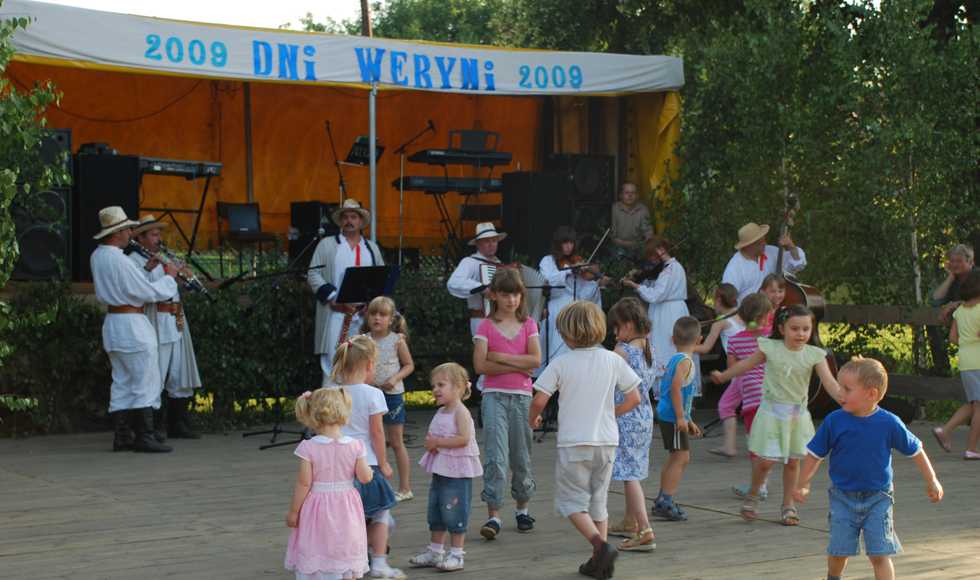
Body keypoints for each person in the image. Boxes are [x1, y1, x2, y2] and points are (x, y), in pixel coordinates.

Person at [795, 357, 944, 580]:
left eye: (847, 389)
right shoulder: (834, 421)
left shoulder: (889, 422)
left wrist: (931, 478)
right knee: (838, 551)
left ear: (871, 394)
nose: (840, 393)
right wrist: (802, 481)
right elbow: (815, 453)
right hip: (842, 497)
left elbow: (915, 449)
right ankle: (833, 578)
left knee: (880, 553)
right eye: (839, 387)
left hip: (879, 498)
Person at [529, 301, 642, 580]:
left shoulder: (561, 363)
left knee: (571, 504)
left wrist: (532, 419)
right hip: (606, 443)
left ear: (567, 337)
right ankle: (598, 563)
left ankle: (601, 546)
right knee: (598, 504)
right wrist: (610, 414)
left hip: (575, 444)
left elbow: (539, 400)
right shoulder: (613, 359)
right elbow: (636, 397)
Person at [711, 304, 840, 526]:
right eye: (794, 328)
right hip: (771, 414)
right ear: (781, 327)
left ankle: (788, 504)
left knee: (792, 462)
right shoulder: (770, 347)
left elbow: (830, 382)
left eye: (805, 329)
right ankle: (753, 493)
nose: (800, 334)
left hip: (796, 418)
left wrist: (847, 401)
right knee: (765, 462)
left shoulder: (815, 355)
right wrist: (724, 375)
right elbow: (745, 365)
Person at [90, 206, 179, 453]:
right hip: (132, 324)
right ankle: (144, 436)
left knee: (121, 380)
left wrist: (147, 270)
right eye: (128, 229)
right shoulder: (119, 258)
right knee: (146, 379)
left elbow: (128, 284)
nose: (130, 233)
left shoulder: (98, 256)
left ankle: (122, 437)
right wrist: (170, 276)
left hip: (113, 323)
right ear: (117, 232)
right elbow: (147, 292)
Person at [472, 268, 542, 538]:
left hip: (523, 399)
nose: (511, 299)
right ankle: (494, 516)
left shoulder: (529, 325)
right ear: (493, 295)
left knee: (521, 456)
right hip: (494, 398)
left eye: (515, 294)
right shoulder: (485, 326)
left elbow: (535, 361)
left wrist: (499, 357)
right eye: (505, 294)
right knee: (496, 457)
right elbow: (480, 365)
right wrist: (517, 365)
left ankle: (522, 511)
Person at [329, 336, 405, 580]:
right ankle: (379, 563)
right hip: (368, 464)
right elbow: (376, 432)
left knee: (349, 518)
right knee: (381, 514)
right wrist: (383, 463)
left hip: (338, 467)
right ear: (370, 365)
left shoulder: (332, 392)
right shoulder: (373, 394)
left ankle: (346, 559)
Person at [284, 387, 375, 580]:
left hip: (317, 506)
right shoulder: (356, 445)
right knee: (346, 544)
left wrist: (294, 511)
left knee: (317, 543)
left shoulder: (308, 447)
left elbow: (304, 483)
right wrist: (370, 471)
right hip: (346, 505)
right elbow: (365, 477)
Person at [128, 215, 202, 440]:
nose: (159, 239)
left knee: (179, 372)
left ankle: (177, 425)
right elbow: (139, 289)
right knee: (156, 374)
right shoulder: (134, 259)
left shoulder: (163, 257)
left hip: (176, 318)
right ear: (141, 238)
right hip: (157, 318)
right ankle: (149, 428)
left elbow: (182, 290)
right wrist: (160, 274)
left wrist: (184, 279)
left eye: (159, 234)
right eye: (154, 235)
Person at [409, 363, 483, 572]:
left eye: (441, 384)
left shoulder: (461, 412)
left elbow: (463, 439)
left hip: (457, 473)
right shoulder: (441, 411)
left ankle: (457, 555)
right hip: (441, 471)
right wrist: (430, 443)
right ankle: (435, 551)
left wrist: (438, 443)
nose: (435, 390)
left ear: (459, 387)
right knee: (437, 510)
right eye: (434, 385)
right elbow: (436, 435)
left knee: (454, 511)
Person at [308, 199, 385, 382]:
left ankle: (355, 407)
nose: (349, 220)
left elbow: (380, 277)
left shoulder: (371, 248)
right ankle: (330, 408)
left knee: (362, 361)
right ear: (340, 221)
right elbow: (313, 273)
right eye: (345, 217)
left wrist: (371, 302)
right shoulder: (327, 244)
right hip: (335, 313)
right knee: (332, 363)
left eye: (353, 217)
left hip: (363, 315)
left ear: (361, 221)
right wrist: (331, 296)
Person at [605, 298, 657, 552]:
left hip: (624, 418)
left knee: (629, 476)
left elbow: (606, 382)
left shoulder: (622, 352)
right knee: (631, 470)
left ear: (627, 326)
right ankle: (629, 522)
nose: (614, 334)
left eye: (616, 329)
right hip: (644, 417)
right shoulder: (650, 348)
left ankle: (645, 529)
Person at [620, 236, 692, 398]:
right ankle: (665, 395)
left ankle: (671, 394)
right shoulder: (666, 268)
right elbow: (655, 286)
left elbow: (656, 294)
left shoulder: (671, 268)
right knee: (662, 347)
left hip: (669, 313)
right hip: (663, 310)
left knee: (666, 347)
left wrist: (636, 286)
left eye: (652, 255)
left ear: (661, 250)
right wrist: (640, 277)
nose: (651, 260)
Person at [360, 297, 416, 501]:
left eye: (382, 315)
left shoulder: (397, 340)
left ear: (391, 320)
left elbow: (409, 365)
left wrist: (394, 378)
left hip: (392, 396)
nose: (376, 318)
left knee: (396, 442)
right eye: (373, 314)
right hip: (369, 395)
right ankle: (374, 487)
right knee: (372, 440)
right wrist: (368, 379)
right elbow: (357, 365)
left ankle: (404, 488)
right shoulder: (363, 340)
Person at [721, 295, 775, 496]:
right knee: (768, 442)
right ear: (763, 317)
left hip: (751, 400)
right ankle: (762, 483)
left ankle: (758, 486)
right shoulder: (772, 338)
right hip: (772, 398)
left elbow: (733, 370)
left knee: (755, 443)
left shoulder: (734, 341)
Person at [650, 317, 702, 522]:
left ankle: (662, 499)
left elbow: (680, 391)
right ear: (699, 340)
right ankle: (665, 502)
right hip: (672, 417)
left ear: (673, 339)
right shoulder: (686, 362)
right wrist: (681, 417)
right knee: (681, 458)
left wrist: (688, 419)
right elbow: (675, 390)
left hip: (670, 415)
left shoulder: (675, 359)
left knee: (675, 457)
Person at [539, 226, 612, 366]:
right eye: (565, 243)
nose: (568, 246)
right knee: (556, 347)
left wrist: (598, 284)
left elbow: (584, 295)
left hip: (575, 310)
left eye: (571, 243)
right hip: (555, 308)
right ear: (558, 243)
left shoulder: (578, 262)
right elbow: (547, 281)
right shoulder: (547, 261)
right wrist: (567, 271)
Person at [446, 221, 506, 389]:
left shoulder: (500, 265)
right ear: (478, 244)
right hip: (480, 317)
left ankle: (489, 397)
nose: (491, 244)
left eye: (494, 240)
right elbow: (454, 283)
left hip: (500, 320)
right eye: (487, 241)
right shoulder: (470, 262)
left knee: (496, 359)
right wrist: (480, 288)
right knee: (487, 360)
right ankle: (484, 397)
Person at [932, 269, 980, 459]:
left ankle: (947, 429)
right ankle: (972, 448)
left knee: (974, 403)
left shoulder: (960, 311)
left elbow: (953, 338)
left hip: (966, 360)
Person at [722, 222, 806, 303]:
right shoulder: (734, 268)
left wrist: (791, 246)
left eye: (764, 240)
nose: (765, 244)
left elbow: (796, 265)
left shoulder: (771, 251)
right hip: (748, 315)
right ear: (748, 246)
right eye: (760, 243)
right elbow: (728, 299)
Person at [928, 244, 978, 374]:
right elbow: (934, 301)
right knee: (934, 327)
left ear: (970, 262)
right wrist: (950, 277)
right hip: (962, 328)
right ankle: (942, 371)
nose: (955, 264)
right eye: (952, 261)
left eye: (959, 261)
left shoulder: (978, 276)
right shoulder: (953, 279)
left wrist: (954, 304)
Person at [611, 181, 654, 252]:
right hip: (619, 245)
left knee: (651, 251)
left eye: (633, 192)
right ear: (620, 196)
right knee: (619, 254)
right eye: (626, 192)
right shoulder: (614, 209)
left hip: (637, 245)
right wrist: (626, 244)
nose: (630, 195)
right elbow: (611, 237)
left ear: (637, 195)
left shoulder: (643, 209)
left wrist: (647, 246)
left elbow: (649, 233)